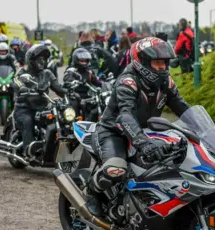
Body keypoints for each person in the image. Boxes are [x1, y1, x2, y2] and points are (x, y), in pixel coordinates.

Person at [84, 37, 190, 216]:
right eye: (157, 63)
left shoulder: (166, 83)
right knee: (115, 168)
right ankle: (92, 192)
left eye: (164, 63)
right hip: (114, 132)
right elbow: (125, 115)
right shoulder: (128, 81)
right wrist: (144, 143)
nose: (162, 68)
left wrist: (207, 130)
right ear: (143, 63)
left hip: (146, 131)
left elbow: (183, 108)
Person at [12, 44, 67, 159]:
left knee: (60, 118)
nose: (42, 61)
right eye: (39, 59)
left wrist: (68, 91)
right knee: (28, 121)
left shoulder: (47, 73)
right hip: (24, 109)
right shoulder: (22, 72)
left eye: (44, 59)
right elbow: (16, 81)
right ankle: (29, 151)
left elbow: (58, 88)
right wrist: (23, 88)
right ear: (31, 60)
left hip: (42, 108)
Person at [63, 48, 103, 121]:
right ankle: (74, 122)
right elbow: (67, 78)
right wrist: (72, 81)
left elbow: (96, 81)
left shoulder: (89, 71)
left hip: (87, 96)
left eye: (85, 59)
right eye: (82, 60)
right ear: (76, 59)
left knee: (98, 102)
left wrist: (105, 84)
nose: (84, 61)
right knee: (74, 104)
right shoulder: (71, 70)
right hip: (74, 95)